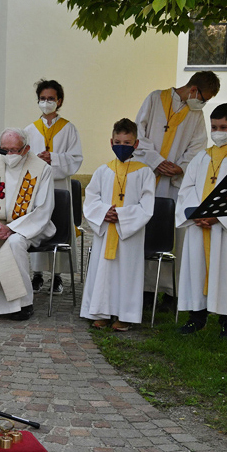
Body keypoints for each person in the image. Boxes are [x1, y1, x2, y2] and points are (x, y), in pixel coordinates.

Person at [134, 71, 220, 307]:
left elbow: (198, 147)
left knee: (172, 236)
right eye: (204, 98)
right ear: (193, 90)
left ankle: (171, 291)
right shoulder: (155, 99)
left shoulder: (196, 114)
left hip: (173, 185)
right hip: (148, 178)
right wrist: (155, 160)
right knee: (146, 233)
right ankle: (146, 290)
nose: (203, 103)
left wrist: (181, 167)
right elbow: (138, 134)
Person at [0, 127, 55, 320]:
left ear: (26, 148)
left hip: (28, 226)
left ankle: (21, 304)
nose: (9, 155)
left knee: (14, 243)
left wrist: (11, 228)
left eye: (14, 150)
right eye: (4, 150)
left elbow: (43, 210)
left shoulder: (42, 170)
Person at [176, 103, 227, 340]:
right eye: (214, 127)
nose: (218, 132)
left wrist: (219, 216)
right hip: (199, 225)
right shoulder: (201, 157)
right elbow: (187, 189)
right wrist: (196, 214)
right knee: (197, 269)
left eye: (223, 127)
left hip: (226, 228)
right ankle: (196, 318)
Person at [79, 118, 155, 331]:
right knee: (103, 271)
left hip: (129, 234)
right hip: (106, 230)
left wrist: (121, 215)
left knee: (127, 273)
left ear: (136, 144)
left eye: (127, 143)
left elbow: (147, 206)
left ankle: (125, 315)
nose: (122, 146)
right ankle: (100, 312)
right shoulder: (103, 171)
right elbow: (91, 198)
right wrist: (104, 212)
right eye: (118, 142)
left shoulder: (145, 172)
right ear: (111, 142)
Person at [24, 79, 83, 294]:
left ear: (59, 101)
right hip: (38, 187)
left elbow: (76, 158)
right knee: (38, 226)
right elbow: (24, 158)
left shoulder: (68, 129)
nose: (46, 102)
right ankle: (37, 274)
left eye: (51, 98)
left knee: (58, 225)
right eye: (42, 98)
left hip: (60, 186)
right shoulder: (30, 130)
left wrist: (54, 158)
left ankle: (57, 276)